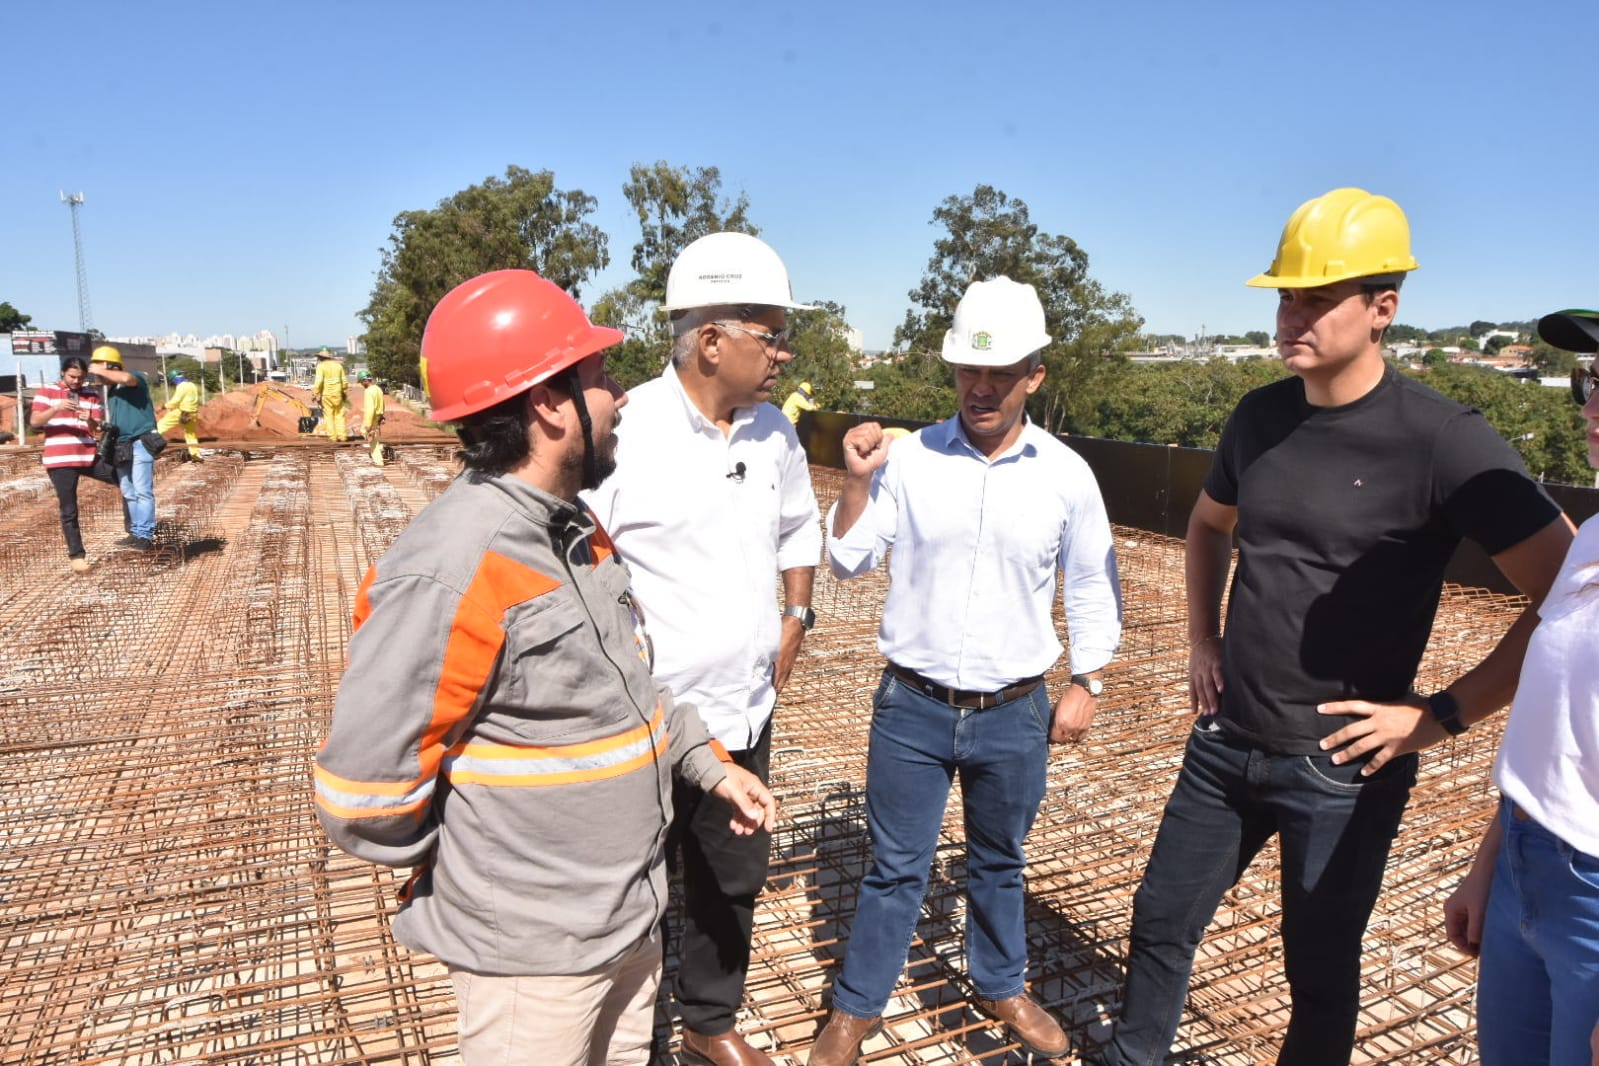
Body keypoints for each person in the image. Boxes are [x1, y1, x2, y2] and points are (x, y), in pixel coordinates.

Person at [1101, 188, 1575, 1066]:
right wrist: (1203, 642)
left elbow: (1569, 588)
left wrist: (1438, 716)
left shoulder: (1442, 439)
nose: (1291, 317)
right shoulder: (1260, 416)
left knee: (1317, 971)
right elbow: (1208, 525)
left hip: (1341, 770)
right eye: (1285, 296)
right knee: (1159, 924)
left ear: (1382, 308)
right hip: (1224, 745)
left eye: (1315, 299)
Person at [313, 269, 776, 1066]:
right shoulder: (455, 566)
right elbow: (363, 792)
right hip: (531, 955)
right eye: (599, 379)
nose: (621, 398)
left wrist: (706, 764)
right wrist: (485, 872)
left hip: (626, 922)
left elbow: (626, 692)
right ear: (548, 403)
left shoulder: (575, 532)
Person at [810, 276, 1123, 1064]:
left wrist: (1088, 679)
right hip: (911, 706)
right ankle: (855, 1008)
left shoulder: (1065, 474)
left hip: (1014, 710)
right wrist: (853, 481)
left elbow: (1090, 580)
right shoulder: (908, 459)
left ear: (1033, 376)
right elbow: (847, 560)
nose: (979, 388)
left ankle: (1000, 982)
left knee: (998, 861)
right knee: (895, 867)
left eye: (999, 372)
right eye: (966, 371)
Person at [583, 231, 822, 1066]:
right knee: (630, 891)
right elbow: (577, 554)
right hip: (644, 723)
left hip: (741, 716)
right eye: (771, 332)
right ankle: (623, 1035)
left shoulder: (773, 436)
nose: (784, 353)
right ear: (711, 339)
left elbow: (800, 529)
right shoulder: (627, 430)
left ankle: (708, 1024)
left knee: (730, 880)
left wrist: (796, 616)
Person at [1443, 309, 1599, 1066]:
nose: (1593, 406)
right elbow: (1557, 733)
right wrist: (1489, 865)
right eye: (1593, 381)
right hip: (1526, 866)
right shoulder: (1594, 538)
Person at [29, 355, 104, 574]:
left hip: (88, 455)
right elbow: (34, 422)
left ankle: (136, 534)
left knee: (124, 480)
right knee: (69, 509)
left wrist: (88, 418)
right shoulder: (48, 392)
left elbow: (97, 429)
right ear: (63, 373)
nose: (76, 382)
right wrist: (57, 408)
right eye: (72, 377)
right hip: (60, 459)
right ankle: (77, 556)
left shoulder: (91, 394)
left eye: (80, 378)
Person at [88, 344, 159, 552]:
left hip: (140, 443)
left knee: (142, 490)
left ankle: (145, 535)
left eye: (101, 370)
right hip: (122, 445)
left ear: (111, 366)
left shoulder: (134, 377)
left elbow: (127, 378)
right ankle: (136, 532)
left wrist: (99, 369)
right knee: (128, 491)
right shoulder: (111, 390)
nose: (98, 377)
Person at [156, 371, 203, 460]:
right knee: (190, 434)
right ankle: (196, 455)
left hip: (182, 412)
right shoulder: (192, 385)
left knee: (161, 425)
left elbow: (176, 400)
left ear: (174, 379)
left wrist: (163, 407)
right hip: (193, 413)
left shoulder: (181, 386)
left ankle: (150, 447)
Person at [311, 347, 348, 441]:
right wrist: (343, 392)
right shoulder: (338, 366)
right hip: (338, 395)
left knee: (329, 416)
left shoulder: (321, 366)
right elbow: (344, 382)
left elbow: (318, 382)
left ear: (321, 358)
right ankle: (342, 436)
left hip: (327, 395)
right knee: (339, 415)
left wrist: (315, 394)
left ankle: (333, 437)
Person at [355, 370, 386, 465]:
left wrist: (368, 425)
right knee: (369, 435)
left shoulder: (368, 391)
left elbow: (370, 408)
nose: (361, 384)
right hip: (378, 416)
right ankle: (380, 448)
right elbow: (382, 404)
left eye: (361, 382)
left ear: (365, 380)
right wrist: (381, 416)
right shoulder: (378, 389)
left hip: (372, 417)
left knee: (368, 434)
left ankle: (378, 460)